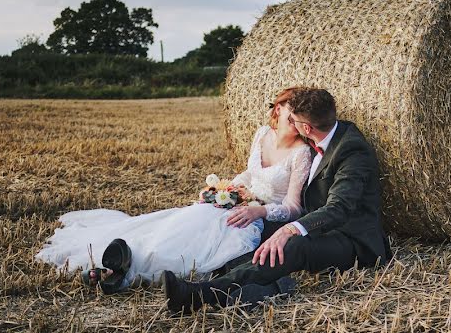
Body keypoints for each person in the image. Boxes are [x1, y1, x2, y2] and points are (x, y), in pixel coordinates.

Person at [35, 88, 312, 291]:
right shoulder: (262, 134)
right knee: (181, 222)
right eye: (293, 111)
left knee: (197, 247)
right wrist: (226, 190)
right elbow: (250, 174)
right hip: (237, 204)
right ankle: (121, 258)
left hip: (256, 217)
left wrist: (258, 210)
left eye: (303, 113)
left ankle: (125, 270)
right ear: (279, 109)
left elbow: (294, 207)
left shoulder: (301, 153)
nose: (298, 117)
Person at [160, 87, 391, 314]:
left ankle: (200, 295)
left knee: (294, 246)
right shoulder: (322, 133)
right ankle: (268, 286)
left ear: (306, 127)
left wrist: (290, 229)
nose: (290, 123)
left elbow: (339, 209)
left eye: (294, 120)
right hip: (317, 223)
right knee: (249, 233)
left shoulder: (352, 151)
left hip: (351, 238)